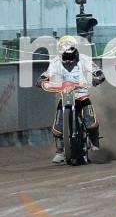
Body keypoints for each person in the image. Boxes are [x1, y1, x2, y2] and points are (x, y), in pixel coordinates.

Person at [38, 35, 106, 164]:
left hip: (82, 93)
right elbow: (47, 74)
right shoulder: (55, 62)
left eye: (70, 57)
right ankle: (61, 150)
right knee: (58, 125)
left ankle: (94, 139)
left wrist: (98, 77)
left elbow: (97, 71)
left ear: (76, 53)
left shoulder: (84, 60)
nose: (68, 61)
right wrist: (42, 80)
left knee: (90, 121)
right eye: (65, 57)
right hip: (65, 94)